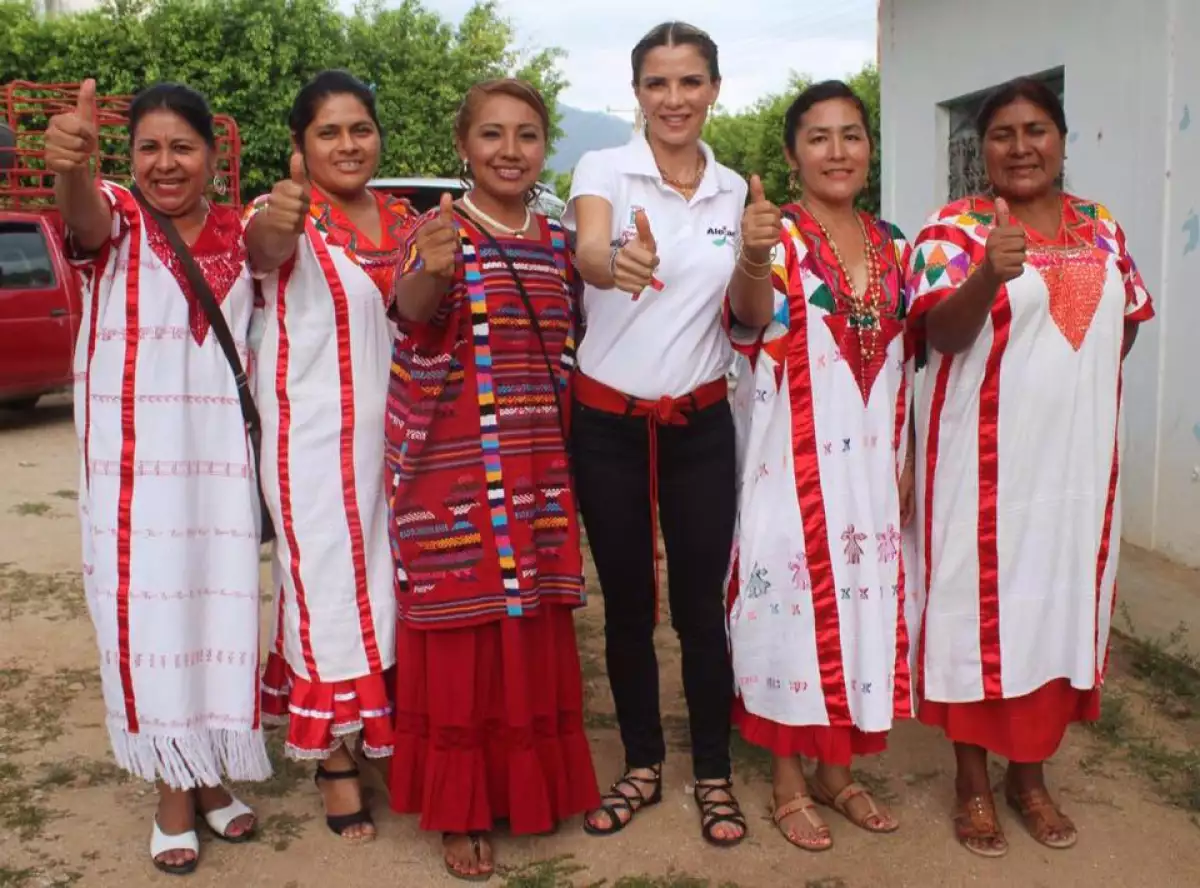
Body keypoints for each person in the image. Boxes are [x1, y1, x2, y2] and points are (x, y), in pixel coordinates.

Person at [907, 76, 1154, 858]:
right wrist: (988, 273)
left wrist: (1072, 388)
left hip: (1074, 468)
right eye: (1002, 134)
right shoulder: (952, 229)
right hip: (982, 468)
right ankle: (972, 782)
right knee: (976, 609)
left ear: (1062, 139)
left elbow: (1128, 320)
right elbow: (941, 336)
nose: (1021, 147)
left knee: (1055, 607)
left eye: (1036, 129)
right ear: (982, 149)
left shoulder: (1101, 226)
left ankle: (1030, 777)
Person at [48, 79, 268, 875]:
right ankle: (173, 792)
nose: (165, 163)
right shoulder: (119, 217)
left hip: (218, 470)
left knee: (217, 614)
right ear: (128, 155)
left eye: (182, 147)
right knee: (151, 625)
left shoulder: (242, 233)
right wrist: (73, 167)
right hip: (136, 474)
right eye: (148, 148)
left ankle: (206, 772)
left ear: (210, 154)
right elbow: (83, 215)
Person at [386, 78, 599, 881]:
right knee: (463, 640)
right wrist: (432, 273)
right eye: (492, 134)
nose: (510, 151)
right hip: (455, 477)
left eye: (527, 135)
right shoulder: (436, 231)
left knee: (529, 630)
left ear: (545, 149)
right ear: (463, 145)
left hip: (537, 471)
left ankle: (526, 792)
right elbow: (412, 313)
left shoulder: (559, 244)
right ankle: (461, 808)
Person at [564, 20, 748, 847]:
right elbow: (590, 249)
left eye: (690, 82)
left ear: (714, 89)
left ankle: (713, 773)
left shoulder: (734, 192)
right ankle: (641, 763)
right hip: (608, 425)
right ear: (636, 93)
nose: (674, 99)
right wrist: (615, 265)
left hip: (700, 426)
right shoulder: (605, 168)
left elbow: (749, 306)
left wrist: (755, 260)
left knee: (702, 609)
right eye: (657, 84)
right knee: (629, 606)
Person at [724, 80, 916, 852]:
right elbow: (748, 316)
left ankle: (837, 771)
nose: (838, 152)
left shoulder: (895, 244)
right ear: (791, 154)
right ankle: (787, 780)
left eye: (851, 135)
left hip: (870, 467)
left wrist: (906, 458)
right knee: (789, 612)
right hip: (789, 463)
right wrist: (752, 255)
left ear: (870, 147)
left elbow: (912, 360)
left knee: (863, 607)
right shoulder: (778, 237)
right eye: (818, 137)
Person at [244, 70, 411, 842]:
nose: (348, 145)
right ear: (300, 144)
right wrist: (281, 220)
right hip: (312, 445)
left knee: (387, 591)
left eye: (360, 129)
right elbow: (263, 250)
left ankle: (378, 733)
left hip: (401, 443)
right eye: (329, 132)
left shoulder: (405, 218)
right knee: (327, 593)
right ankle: (335, 759)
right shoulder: (279, 212)